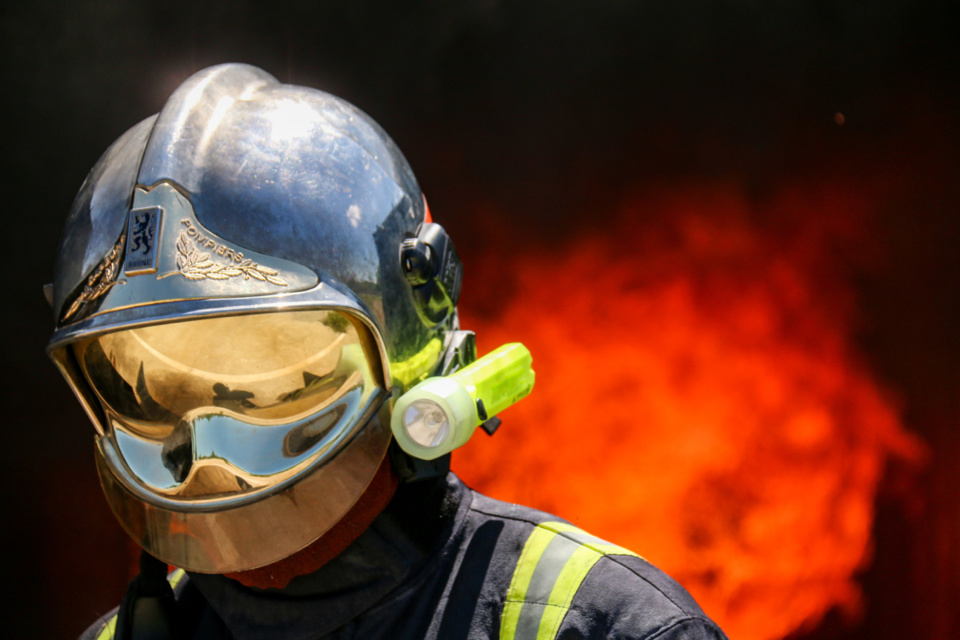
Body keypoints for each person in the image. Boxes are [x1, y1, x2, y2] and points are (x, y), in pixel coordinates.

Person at [47, 63, 727, 640]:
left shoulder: (605, 627)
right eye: (151, 380)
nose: (207, 452)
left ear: (401, 340)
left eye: (266, 370)